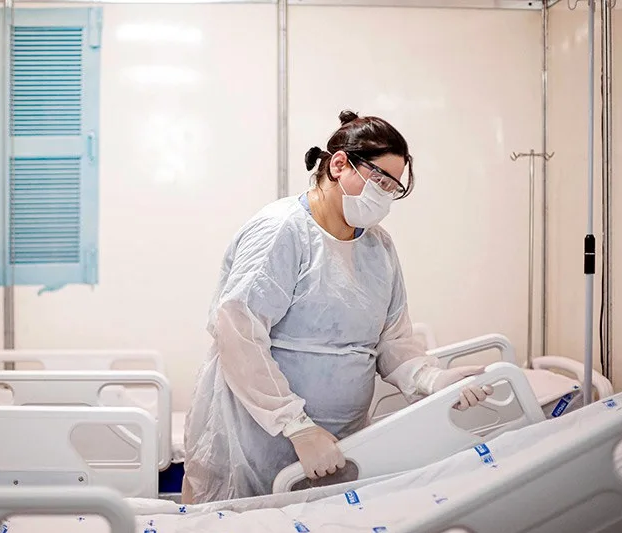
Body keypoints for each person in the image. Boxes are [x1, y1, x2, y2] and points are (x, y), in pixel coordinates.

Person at [181, 110, 494, 504]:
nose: (383, 195)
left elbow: (392, 342)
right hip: (260, 439)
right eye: (378, 180)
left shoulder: (378, 247)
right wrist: (296, 426)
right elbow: (239, 333)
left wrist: (431, 380)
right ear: (339, 164)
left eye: (392, 188)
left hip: (342, 445)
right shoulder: (282, 231)